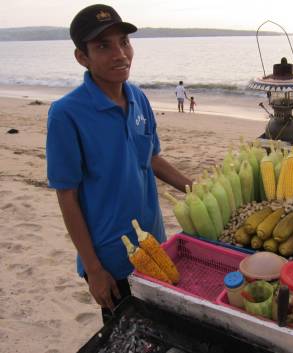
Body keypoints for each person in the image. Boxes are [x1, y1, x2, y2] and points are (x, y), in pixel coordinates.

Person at [46, 4, 192, 324]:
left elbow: (150, 157)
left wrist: (194, 190)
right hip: (110, 260)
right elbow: (66, 196)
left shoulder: (138, 97)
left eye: (124, 42)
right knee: (126, 335)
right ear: (81, 57)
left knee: (162, 328)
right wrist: (95, 269)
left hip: (155, 243)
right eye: (103, 46)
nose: (120, 54)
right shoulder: (66, 114)